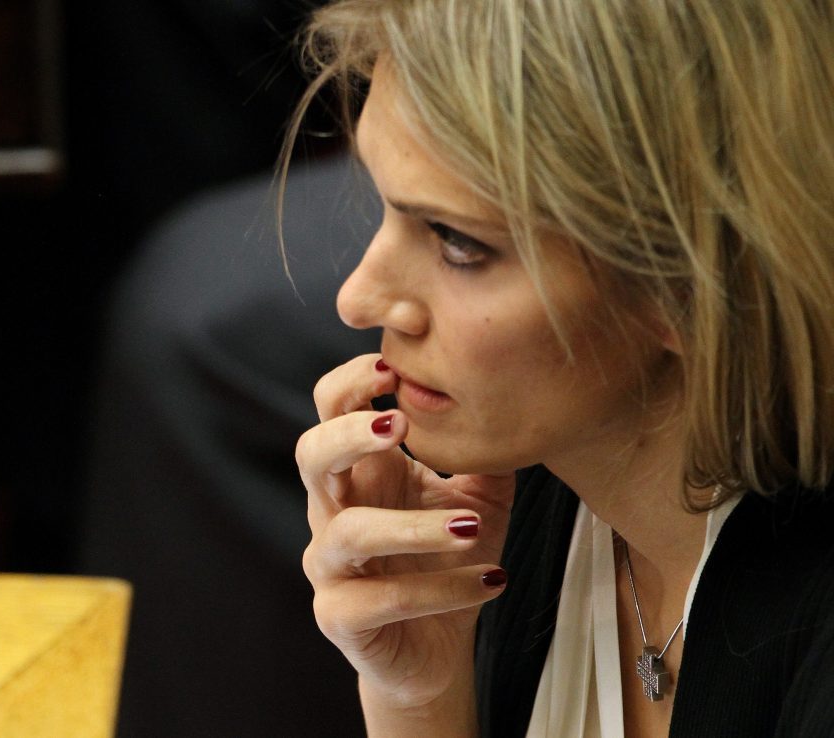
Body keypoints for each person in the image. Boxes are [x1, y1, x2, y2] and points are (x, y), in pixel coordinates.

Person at [290, 1, 834, 736]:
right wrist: (419, 699)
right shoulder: (522, 495)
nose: (357, 299)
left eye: (456, 242)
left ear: (688, 282)